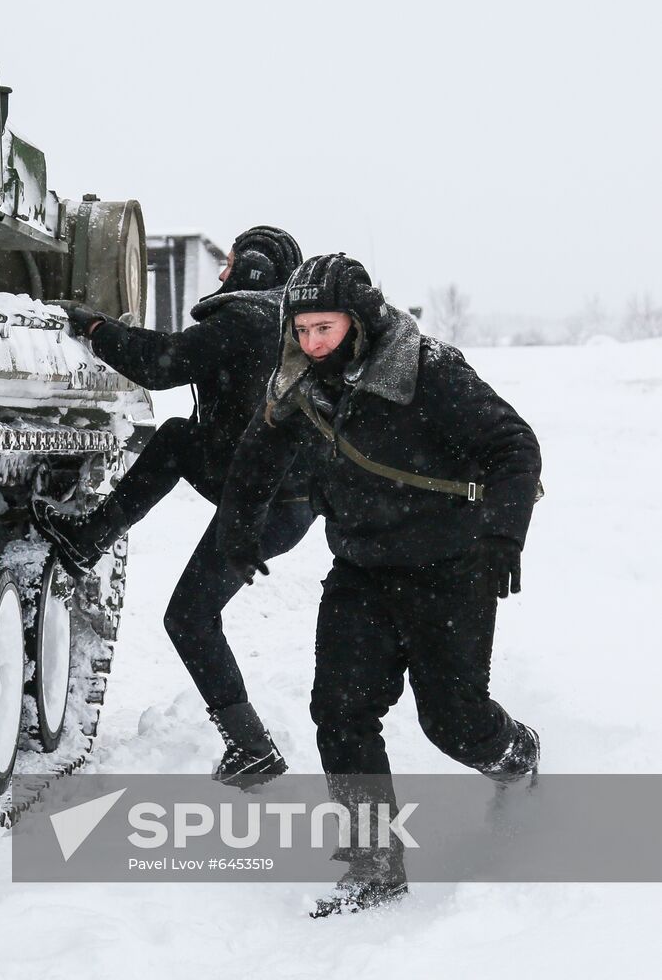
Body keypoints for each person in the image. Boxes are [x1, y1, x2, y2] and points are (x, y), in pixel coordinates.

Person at [217, 253, 543, 916]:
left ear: (359, 321)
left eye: (325, 328)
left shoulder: (428, 368)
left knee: (453, 723)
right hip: (361, 569)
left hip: (449, 568)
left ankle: (517, 754)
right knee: (340, 713)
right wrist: (239, 532)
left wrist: (502, 538)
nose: (312, 343)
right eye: (302, 330)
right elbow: (258, 454)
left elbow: (515, 446)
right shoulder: (300, 381)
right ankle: (374, 867)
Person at [35, 226, 310, 787]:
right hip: (276, 497)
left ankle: (253, 748)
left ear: (254, 269)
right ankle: (87, 540)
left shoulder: (248, 320)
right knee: (180, 439)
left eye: (230, 263)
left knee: (189, 617)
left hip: (262, 506)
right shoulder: (287, 326)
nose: (222, 273)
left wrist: (95, 328)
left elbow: (162, 363)